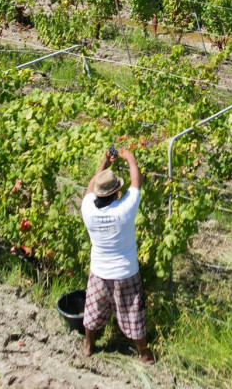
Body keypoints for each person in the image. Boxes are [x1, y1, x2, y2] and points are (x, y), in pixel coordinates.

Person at [80, 147, 154, 365]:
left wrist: (104, 163)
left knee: (92, 312)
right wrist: (130, 158)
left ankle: (88, 346)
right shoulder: (124, 210)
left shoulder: (88, 210)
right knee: (133, 313)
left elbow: (89, 189)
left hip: (99, 273)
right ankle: (144, 354)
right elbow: (136, 184)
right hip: (125, 273)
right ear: (116, 193)